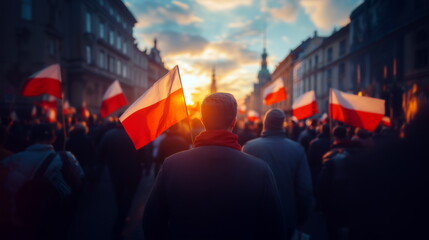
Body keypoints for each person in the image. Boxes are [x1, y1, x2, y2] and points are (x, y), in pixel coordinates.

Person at [142, 93, 285, 240]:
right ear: (233, 122)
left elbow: (151, 221)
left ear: (203, 120)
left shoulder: (172, 164)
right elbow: (274, 228)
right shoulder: (260, 170)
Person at [0, 123, 83, 240]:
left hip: (18, 225)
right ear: (53, 138)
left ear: (29, 137)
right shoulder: (67, 158)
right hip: (54, 224)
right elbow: (79, 181)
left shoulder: (10, 161)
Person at [243, 108, 314, 239]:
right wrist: (302, 218)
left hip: (258, 217)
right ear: (282, 124)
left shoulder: (249, 147)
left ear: (265, 123)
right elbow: (305, 189)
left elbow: (242, 187)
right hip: (287, 217)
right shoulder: (297, 149)